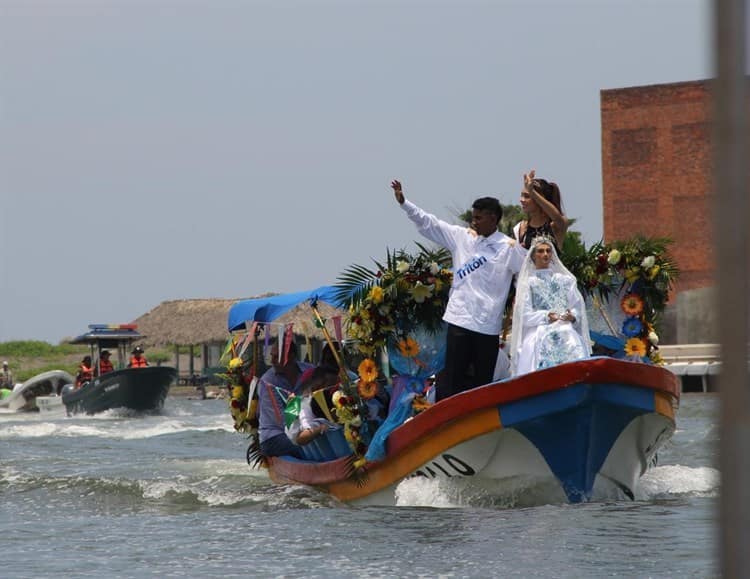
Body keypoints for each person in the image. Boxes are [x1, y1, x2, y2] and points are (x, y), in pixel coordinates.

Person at [392, 179, 526, 400]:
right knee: (451, 378)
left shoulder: (508, 247)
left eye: (478, 218)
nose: (473, 222)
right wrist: (404, 203)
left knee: (483, 382)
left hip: (488, 325)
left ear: (493, 218)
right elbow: (430, 224)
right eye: (472, 217)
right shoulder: (461, 237)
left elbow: (528, 274)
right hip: (460, 320)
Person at [510, 236, 591, 377]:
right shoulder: (528, 283)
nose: (545, 254)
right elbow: (524, 315)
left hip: (565, 328)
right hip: (539, 330)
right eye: (540, 251)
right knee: (538, 346)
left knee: (571, 338)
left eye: (548, 251)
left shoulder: (565, 280)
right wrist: (546, 316)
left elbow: (577, 307)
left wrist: (572, 316)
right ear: (533, 256)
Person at [257, 339, 314, 458]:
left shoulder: (309, 371)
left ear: (291, 357)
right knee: (310, 445)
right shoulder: (267, 381)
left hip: (303, 427)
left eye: (276, 357)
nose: (272, 361)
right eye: (271, 356)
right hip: (274, 436)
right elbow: (283, 422)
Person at [514, 169, 569, 252]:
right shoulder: (521, 227)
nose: (521, 200)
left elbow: (558, 218)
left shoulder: (554, 226)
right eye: (522, 195)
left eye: (527, 196)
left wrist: (532, 192)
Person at [285, 365, 340, 446]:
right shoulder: (308, 407)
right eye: (330, 385)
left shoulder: (338, 398)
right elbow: (299, 439)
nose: (334, 389)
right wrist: (319, 429)